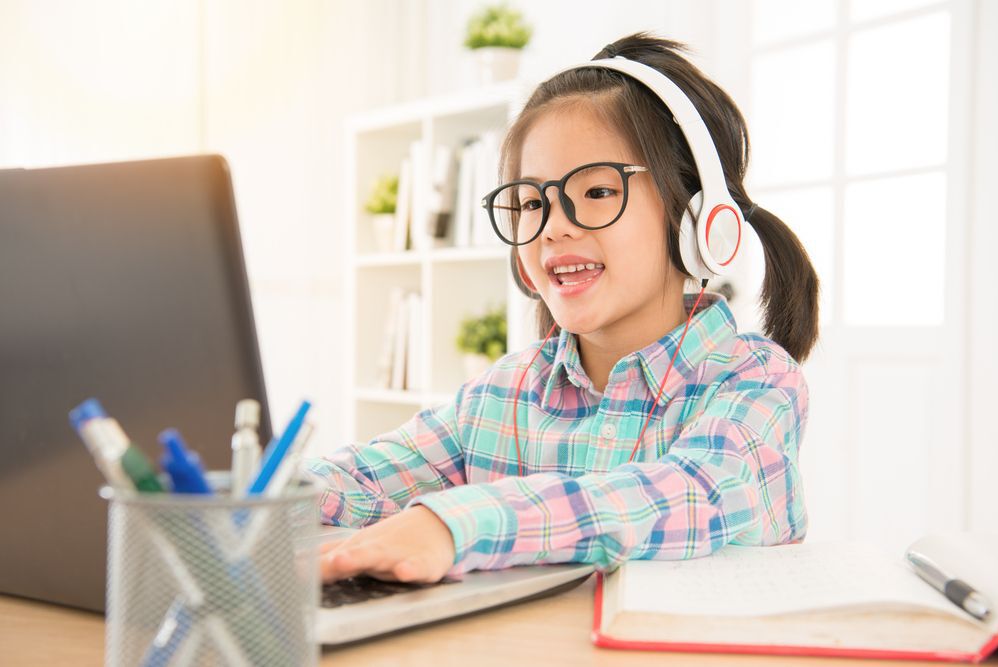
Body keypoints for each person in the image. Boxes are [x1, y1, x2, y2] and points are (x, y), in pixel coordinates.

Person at [307, 32, 819, 585]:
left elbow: (689, 493)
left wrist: (462, 522)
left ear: (694, 215)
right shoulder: (500, 396)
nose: (554, 227)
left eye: (597, 192)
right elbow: (360, 483)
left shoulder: (756, 381)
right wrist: (259, 495)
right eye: (531, 202)